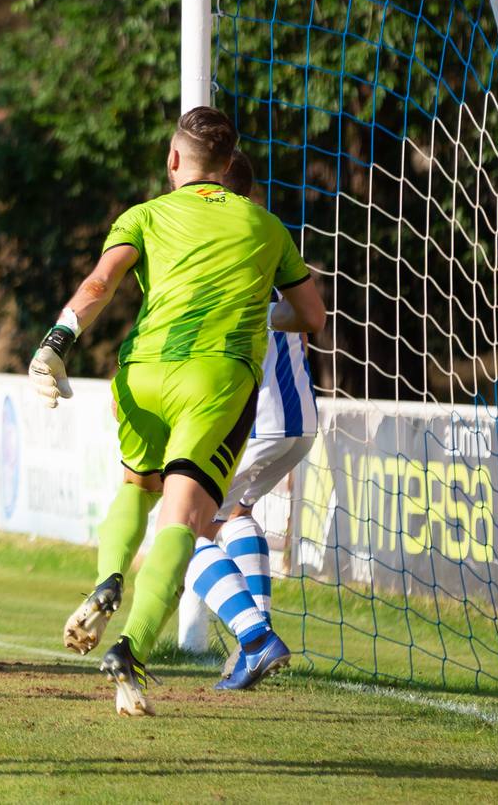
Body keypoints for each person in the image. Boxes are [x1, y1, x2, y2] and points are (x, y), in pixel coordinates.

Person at [29, 106, 325, 715]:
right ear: (230, 164)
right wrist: (258, 314)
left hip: (143, 373)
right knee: (185, 519)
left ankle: (108, 576)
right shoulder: (267, 227)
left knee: (136, 486)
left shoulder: (143, 216)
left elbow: (98, 285)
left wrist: (56, 343)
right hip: (214, 379)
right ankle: (133, 646)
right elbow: (312, 317)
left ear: (173, 160)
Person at [178, 150, 319, 687]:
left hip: (256, 417)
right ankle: (252, 645)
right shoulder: (271, 238)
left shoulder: (226, 242)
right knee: (231, 514)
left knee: (180, 527)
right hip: (298, 417)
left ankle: (254, 637)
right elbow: (306, 319)